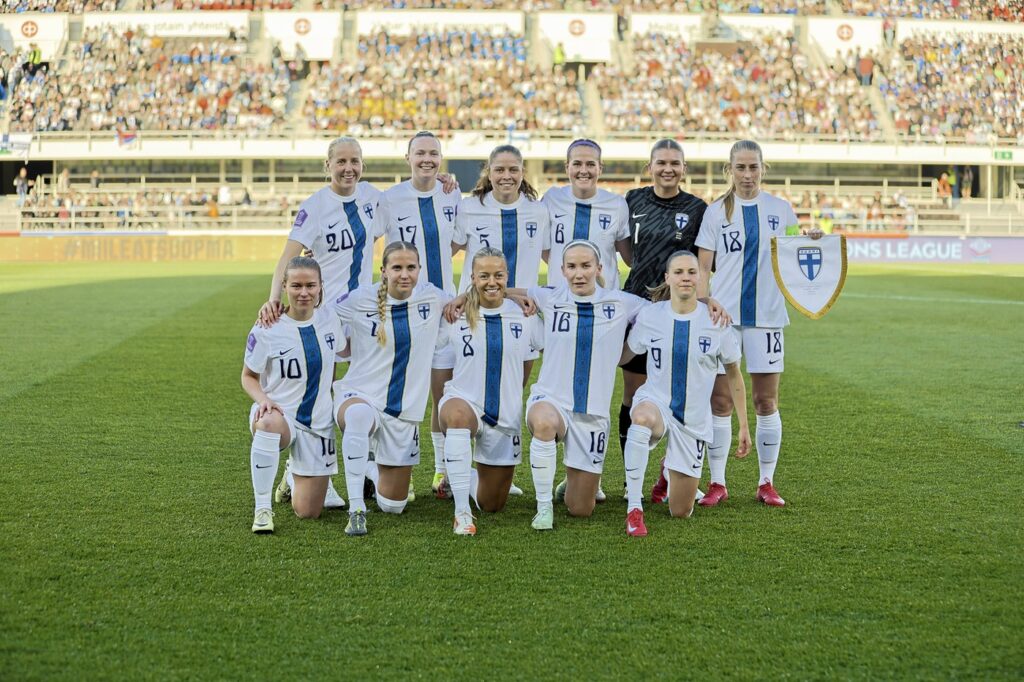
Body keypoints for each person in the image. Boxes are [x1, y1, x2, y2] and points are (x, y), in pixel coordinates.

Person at [694, 140, 823, 508]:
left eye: (753, 167)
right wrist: (705, 305)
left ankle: (766, 481)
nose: (747, 175)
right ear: (729, 170)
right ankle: (718, 482)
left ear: (763, 169)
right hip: (724, 320)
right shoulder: (716, 212)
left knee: (766, 400)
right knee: (719, 401)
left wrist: (809, 239)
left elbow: (796, 258)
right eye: (740, 168)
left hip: (766, 319)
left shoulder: (780, 210)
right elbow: (704, 268)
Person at [259, 136, 381, 510]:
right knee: (318, 394)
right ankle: (309, 472)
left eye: (355, 161)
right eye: (341, 161)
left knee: (366, 390)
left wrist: (445, 182)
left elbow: (414, 198)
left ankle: (371, 469)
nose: (349, 168)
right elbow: (288, 257)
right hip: (323, 313)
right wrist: (274, 298)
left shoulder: (375, 198)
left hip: (363, 313)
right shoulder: (315, 206)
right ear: (327, 165)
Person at [617, 139, 724, 505]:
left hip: (682, 312)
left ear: (683, 168)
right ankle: (631, 478)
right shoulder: (632, 200)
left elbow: (705, 261)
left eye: (675, 163)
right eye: (661, 162)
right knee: (634, 395)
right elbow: (623, 247)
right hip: (638, 305)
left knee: (683, 391)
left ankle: (672, 470)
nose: (668, 169)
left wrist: (705, 298)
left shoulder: (697, 208)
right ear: (650, 167)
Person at [620, 250, 750, 536]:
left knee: (681, 511)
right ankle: (634, 508)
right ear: (667, 277)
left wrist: (743, 424)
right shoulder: (651, 316)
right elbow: (627, 353)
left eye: (692, 272)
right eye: (678, 272)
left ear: (701, 276)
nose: (686, 278)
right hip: (656, 404)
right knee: (640, 418)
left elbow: (733, 374)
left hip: (693, 420)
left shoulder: (716, 321)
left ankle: (667, 473)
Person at [519, 240, 647, 530]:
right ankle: (543, 509)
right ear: (562, 270)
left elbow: (662, 313)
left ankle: (572, 481)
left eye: (586, 266)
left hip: (592, 415)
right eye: (572, 267)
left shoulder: (621, 302)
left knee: (581, 509)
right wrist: (469, 299)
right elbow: (507, 293)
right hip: (551, 400)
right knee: (543, 422)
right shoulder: (550, 297)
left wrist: (626, 351)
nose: (579, 273)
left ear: (599, 268)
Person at [331, 242, 450, 536]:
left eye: (411, 267)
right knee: (358, 417)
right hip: (360, 396)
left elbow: (467, 302)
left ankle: (370, 468)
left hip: (403, 412)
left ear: (420, 270)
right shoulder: (360, 299)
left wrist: (519, 298)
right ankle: (356, 509)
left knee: (393, 506)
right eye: (397, 267)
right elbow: (322, 315)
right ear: (383, 271)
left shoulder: (433, 298)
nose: (404, 274)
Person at [452, 143, 549, 498]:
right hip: (475, 315)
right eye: (499, 169)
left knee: (511, 388)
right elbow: (444, 250)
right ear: (487, 173)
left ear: (522, 173)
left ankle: (492, 465)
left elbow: (553, 258)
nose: (506, 176)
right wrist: (459, 294)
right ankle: (453, 469)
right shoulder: (469, 208)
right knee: (466, 391)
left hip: (522, 316)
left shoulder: (539, 212)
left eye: (513, 169)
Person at [376, 131, 462, 499]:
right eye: (420, 153)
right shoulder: (390, 199)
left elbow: (457, 241)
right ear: (407, 157)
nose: (427, 159)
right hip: (404, 310)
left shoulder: (450, 192)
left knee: (443, 392)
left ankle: (442, 471)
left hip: (445, 310)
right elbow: (372, 241)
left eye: (434, 153)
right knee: (401, 392)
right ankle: (397, 468)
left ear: (441, 159)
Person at [436, 248, 542, 535]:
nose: (491, 282)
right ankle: (461, 514)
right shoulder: (454, 314)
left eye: (498, 275)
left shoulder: (524, 313)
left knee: (492, 503)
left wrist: (516, 296)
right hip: (463, 402)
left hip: (505, 417)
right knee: (457, 415)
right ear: (472, 277)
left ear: (507, 277)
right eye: (483, 276)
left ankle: (464, 478)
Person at [242, 256, 346, 534]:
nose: (304, 292)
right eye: (296, 285)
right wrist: (263, 400)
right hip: (280, 414)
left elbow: (335, 362)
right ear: (284, 286)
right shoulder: (267, 327)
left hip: (318, 422)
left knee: (308, 512)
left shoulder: (330, 320)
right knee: (268, 423)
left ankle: (291, 472)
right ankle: (263, 509)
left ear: (321, 287)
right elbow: (248, 377)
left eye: (311, 285)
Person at [542, 139, 632, 291]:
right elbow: (545, 250)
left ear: (600, 168)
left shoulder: (617, 204)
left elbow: (629, 258)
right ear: (567, 167)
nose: (583, 170)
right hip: (561, 300)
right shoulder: (551, 199)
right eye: (577, 164)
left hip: (605, 299)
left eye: (590, 164)